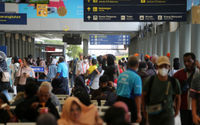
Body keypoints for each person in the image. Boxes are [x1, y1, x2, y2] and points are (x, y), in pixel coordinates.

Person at [142, 56, 181, 125]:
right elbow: (143, 97)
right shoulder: (150, 80)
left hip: (168, 114)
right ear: (156, 67)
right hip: (153, 114)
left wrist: (177, 111)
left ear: (169, 67)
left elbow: (178, 97)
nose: (163, 68)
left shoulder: (174, 81)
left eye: (165, 66)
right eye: (161, 66)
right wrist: (144, 112)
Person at [174, 53, 200, 125]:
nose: (186, 63)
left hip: (197, 108)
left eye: (189, 61)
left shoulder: (198, 73)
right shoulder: (178, 74)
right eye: (185, 61)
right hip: (184, 107)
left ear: (194, 61)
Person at [116, 55, 142, 123]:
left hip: (119, 102)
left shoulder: (121, 75)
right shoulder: (136, 77)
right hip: (130, 105)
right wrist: (138, 113)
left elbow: (117, 90)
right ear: (137, 65)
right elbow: (137, 96)